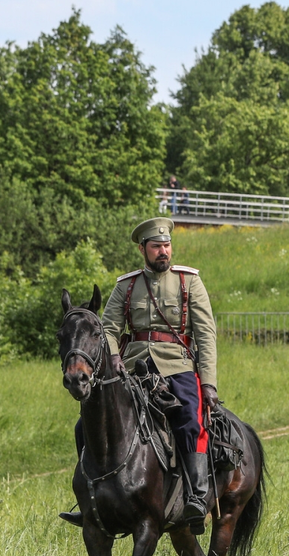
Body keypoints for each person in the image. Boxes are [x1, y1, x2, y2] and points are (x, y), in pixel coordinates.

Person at [63, 217, 219, 533]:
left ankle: (196, 498)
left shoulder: (190, 282)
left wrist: (210, 383)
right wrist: (117, 356)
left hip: (178, 367)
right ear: (143, 249)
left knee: (190, 417)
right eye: (156, 246)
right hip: (133, 369)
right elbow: (106, 328)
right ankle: (88, 502)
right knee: (86, 424)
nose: (163, 251)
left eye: (166, 245)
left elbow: (205, 334)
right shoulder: (127, 285)